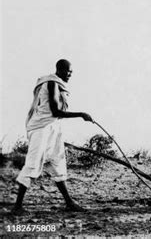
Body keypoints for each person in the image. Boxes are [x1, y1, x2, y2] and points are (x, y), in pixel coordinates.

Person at [11, 59, 93, 215]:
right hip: (41, 128)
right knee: (32, 164)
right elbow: (56, 111)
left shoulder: (56, 84)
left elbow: (54, 115)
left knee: (57, 162)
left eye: (71, 72)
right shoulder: (51, 83)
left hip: (52, 127)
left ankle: (69, 202)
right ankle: (17, 206)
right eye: (68, 71)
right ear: (60, 70)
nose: (70, 74)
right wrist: (81, 114)